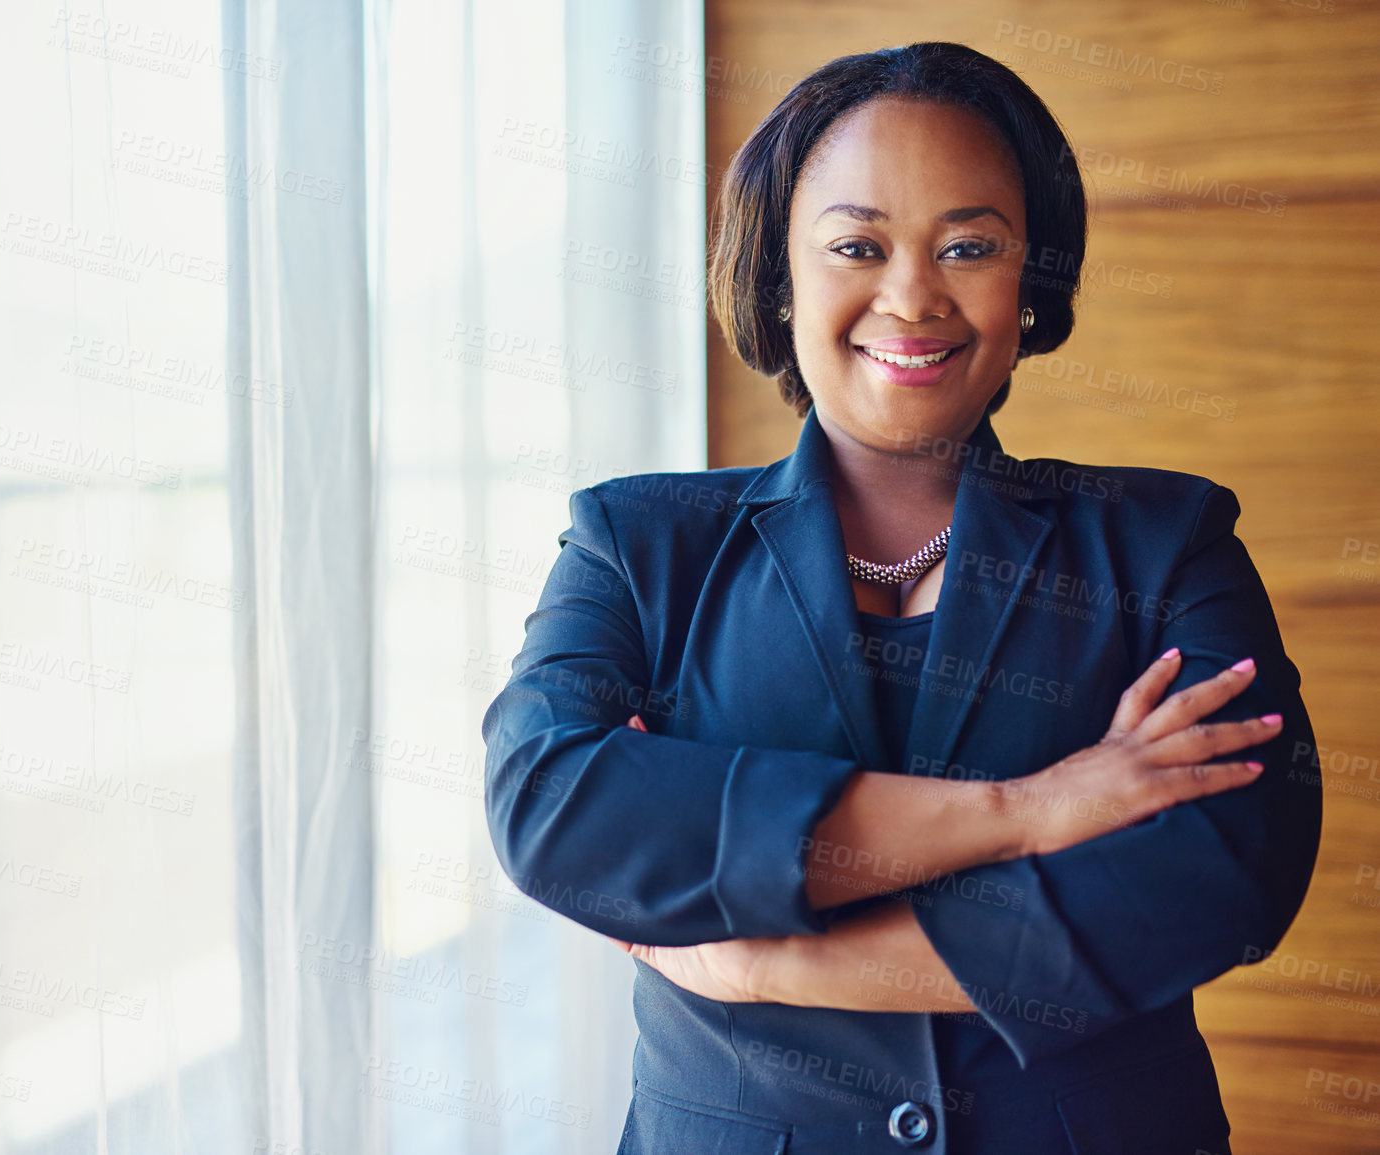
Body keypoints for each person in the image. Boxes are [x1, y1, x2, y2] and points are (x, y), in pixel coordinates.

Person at [481, 42, 1320, 1155]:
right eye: (856, 245)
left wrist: (774, 962)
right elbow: (552, 807)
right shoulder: (640, 542)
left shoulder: (1164, 541)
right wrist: (1032, 811)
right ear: (781, 281)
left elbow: (1226, 867)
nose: (914, 294)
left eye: (969, 245)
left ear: (1035, 282)